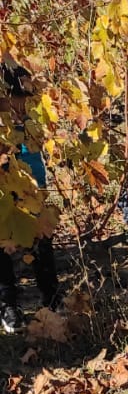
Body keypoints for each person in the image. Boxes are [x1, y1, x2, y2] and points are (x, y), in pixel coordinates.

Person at [0, 63, 62, 332]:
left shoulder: (31, 121)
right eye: (16, 99)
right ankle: (8, 307)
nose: (21, 106)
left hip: (34, 189)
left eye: (26, 99)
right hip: (5, 190)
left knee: (42, 244)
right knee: (2, 248)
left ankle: (52, 298)